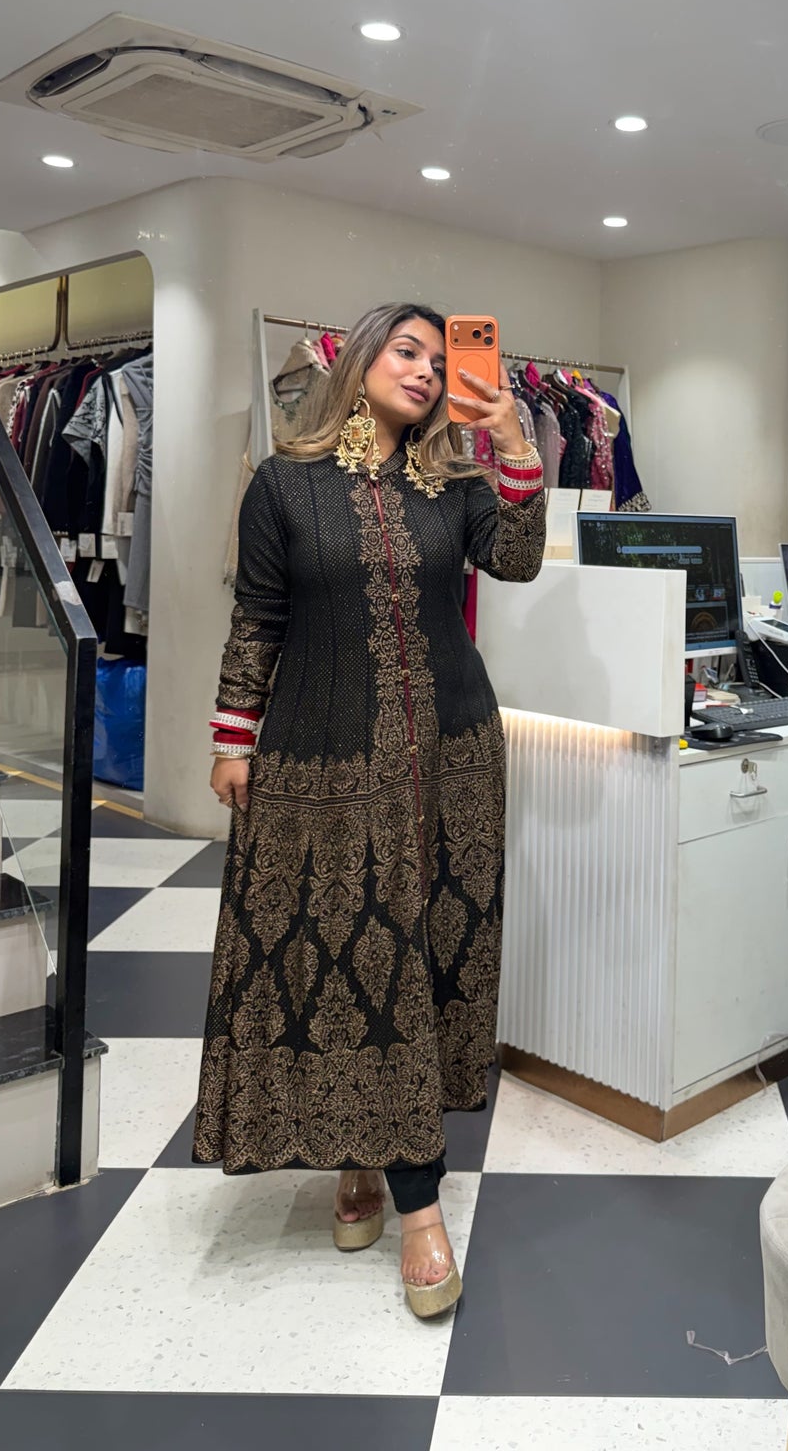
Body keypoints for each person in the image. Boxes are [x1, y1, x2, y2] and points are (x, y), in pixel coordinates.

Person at [194, 302, 545, 1317]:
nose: (427, 371)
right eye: (407, 351)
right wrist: (232, 736)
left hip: (452, 756)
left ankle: (394, 1185)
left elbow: (516, 560)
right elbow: (259, 615)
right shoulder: (285, 484)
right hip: (326, 760)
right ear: (359, 360)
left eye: (439, 359)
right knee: (349, 957)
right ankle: (391, 1183)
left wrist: (514, 444)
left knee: (419, 958)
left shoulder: (454, 485)